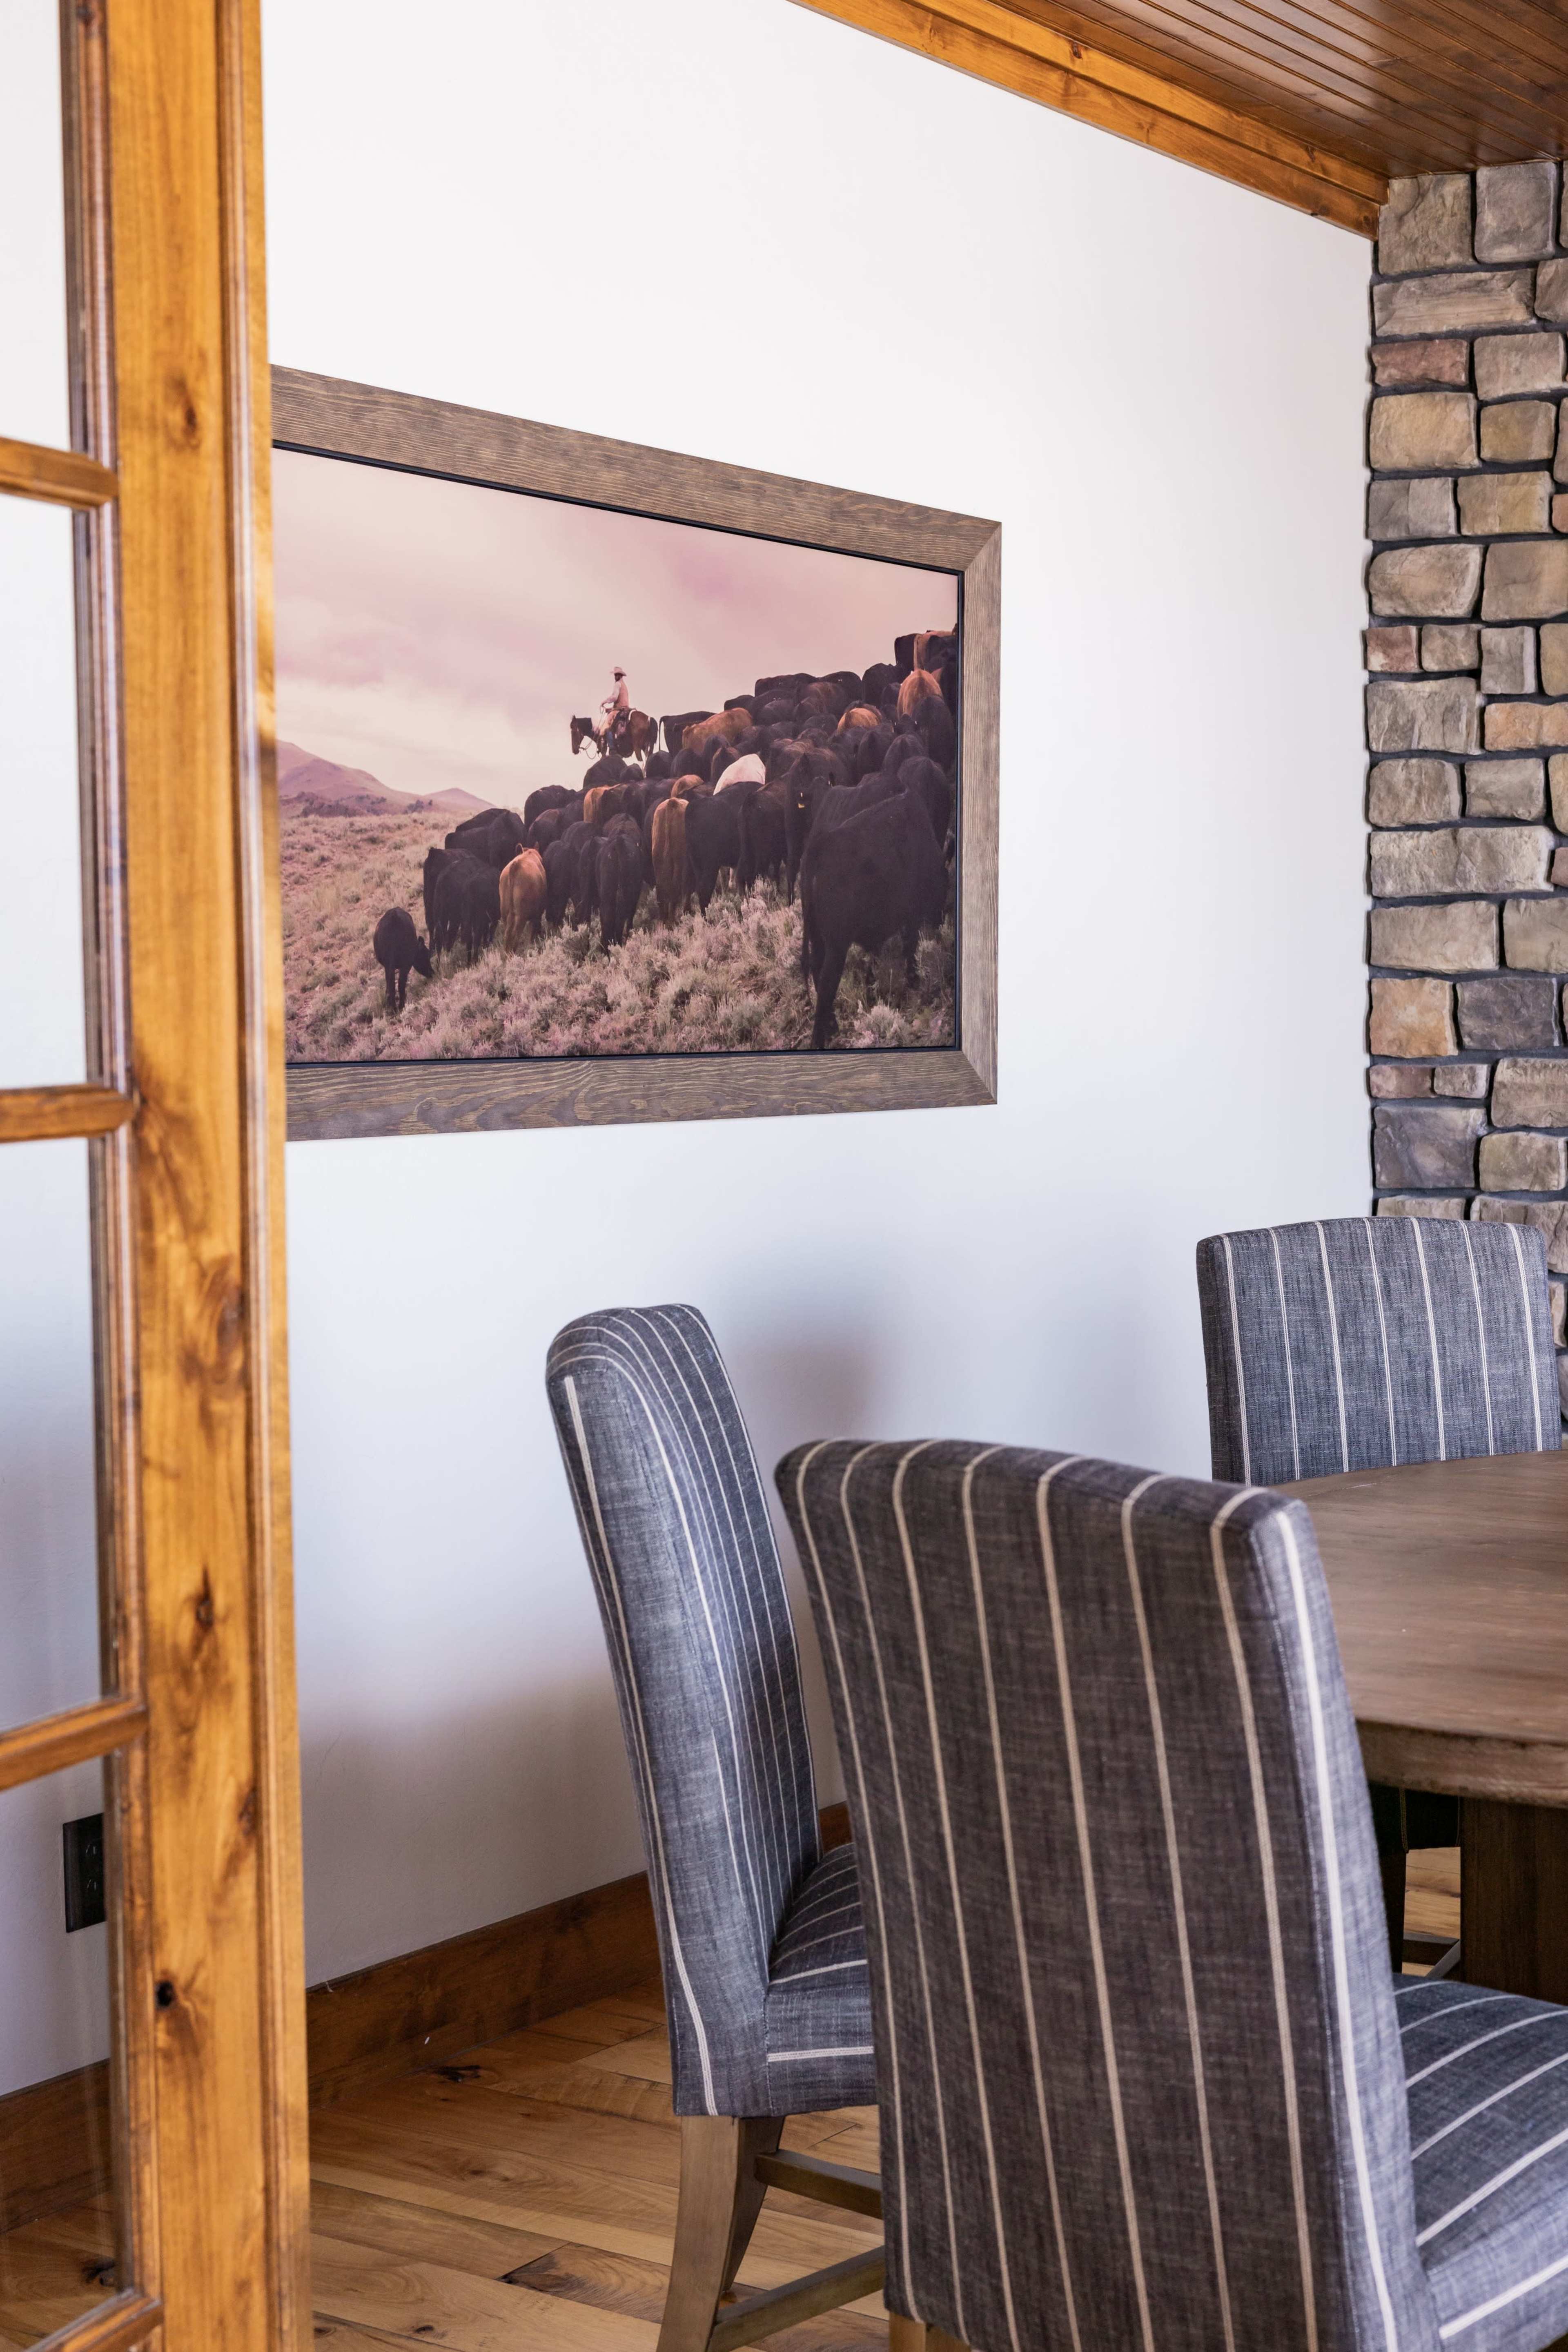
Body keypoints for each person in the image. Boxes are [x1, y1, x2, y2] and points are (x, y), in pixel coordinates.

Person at [599, 667, 630, 744]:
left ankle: (612, 748)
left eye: (617, 675)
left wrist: (605, 702)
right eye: (615, 675)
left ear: (621, 676)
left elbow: (615, 697)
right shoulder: (624, 685)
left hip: (620, 710)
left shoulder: (618, 684)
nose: (616, 677)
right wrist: (611, 709)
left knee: (606, 727)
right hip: (625, 709)